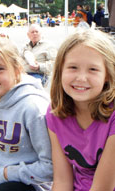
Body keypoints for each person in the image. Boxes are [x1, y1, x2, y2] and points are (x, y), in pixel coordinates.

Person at [0, 35, 53, 191]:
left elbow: (51, 167)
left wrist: (7, 173)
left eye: (0, 69)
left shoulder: (34, 107)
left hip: (31, 183)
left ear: (16, 70)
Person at [46, 29, 115, 190]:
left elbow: (103, 187)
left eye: (93, 69)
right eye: (73, 67)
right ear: (60, 71)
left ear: (107, 75)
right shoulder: (55, 113)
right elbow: (63, 181)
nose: (81, 78)